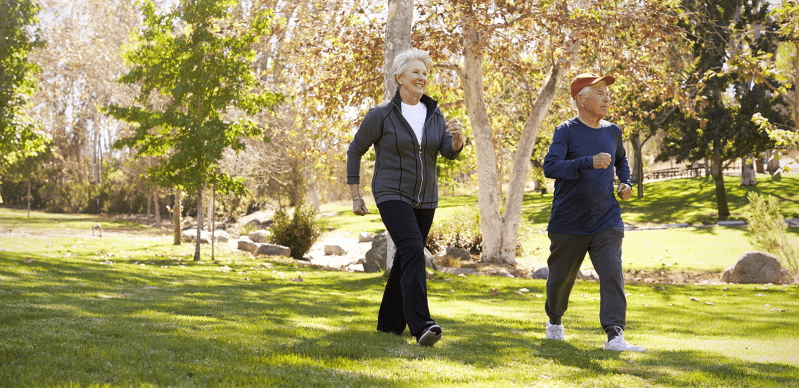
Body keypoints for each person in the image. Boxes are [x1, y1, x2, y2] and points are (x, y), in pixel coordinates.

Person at [346, 48, 464, 347]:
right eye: (415, 72)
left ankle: (388, 324)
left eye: (425, 73)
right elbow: (355, 150)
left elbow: (447, 152)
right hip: (390, 191)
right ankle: (422, 325)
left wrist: (458, 141)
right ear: (399, 77)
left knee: (406, 257)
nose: (422, 77)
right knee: (412, 249)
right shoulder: (381, 114)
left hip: (426, 197)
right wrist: (355, 195)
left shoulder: (435, 113)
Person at [541, 73, 643, 352]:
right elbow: (550, 167)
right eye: (598, 92)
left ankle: (615, 335)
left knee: (612, 273)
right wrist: (587, 162)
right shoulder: (566, 131)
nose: (606, 97)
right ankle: (554, 320)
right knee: (560, 279)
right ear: (580, 99)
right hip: (569, 220)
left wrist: (625, 183)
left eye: (607, 92)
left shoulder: (613, 131)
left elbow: (621, 162)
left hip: (606, 218)